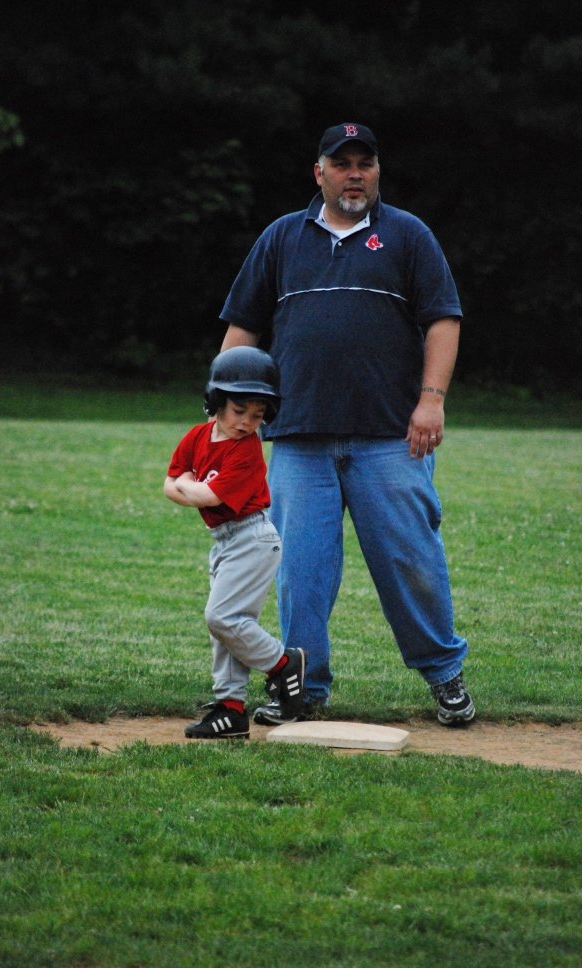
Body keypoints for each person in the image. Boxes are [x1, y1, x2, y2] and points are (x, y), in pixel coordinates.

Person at [218, 121, 475, 728]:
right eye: (342, 163)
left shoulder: (408, 235)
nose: (354, 173)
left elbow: (443, 319)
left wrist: (431, 400)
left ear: (377, 170)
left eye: (365, 162)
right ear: (320, 172)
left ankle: (445, 676)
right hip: (299, 440)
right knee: (300, 576)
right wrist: (228, 413)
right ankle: (303, 692)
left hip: (391, 438)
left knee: (411, 563)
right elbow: (242, 330)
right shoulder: (283, 237)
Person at [164, 346, 305, 739]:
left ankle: (282, 664)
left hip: (253, 539)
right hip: (224, 541)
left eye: (258, 414)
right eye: (239, 410)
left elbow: (204, 496)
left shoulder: (247, 452)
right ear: (215, 401)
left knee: (222, 618)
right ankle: (231, 711)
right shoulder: (196, 436)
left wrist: (188, 483)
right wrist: (188, 485)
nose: (247, 422)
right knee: (226, 627)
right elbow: (168, 486)